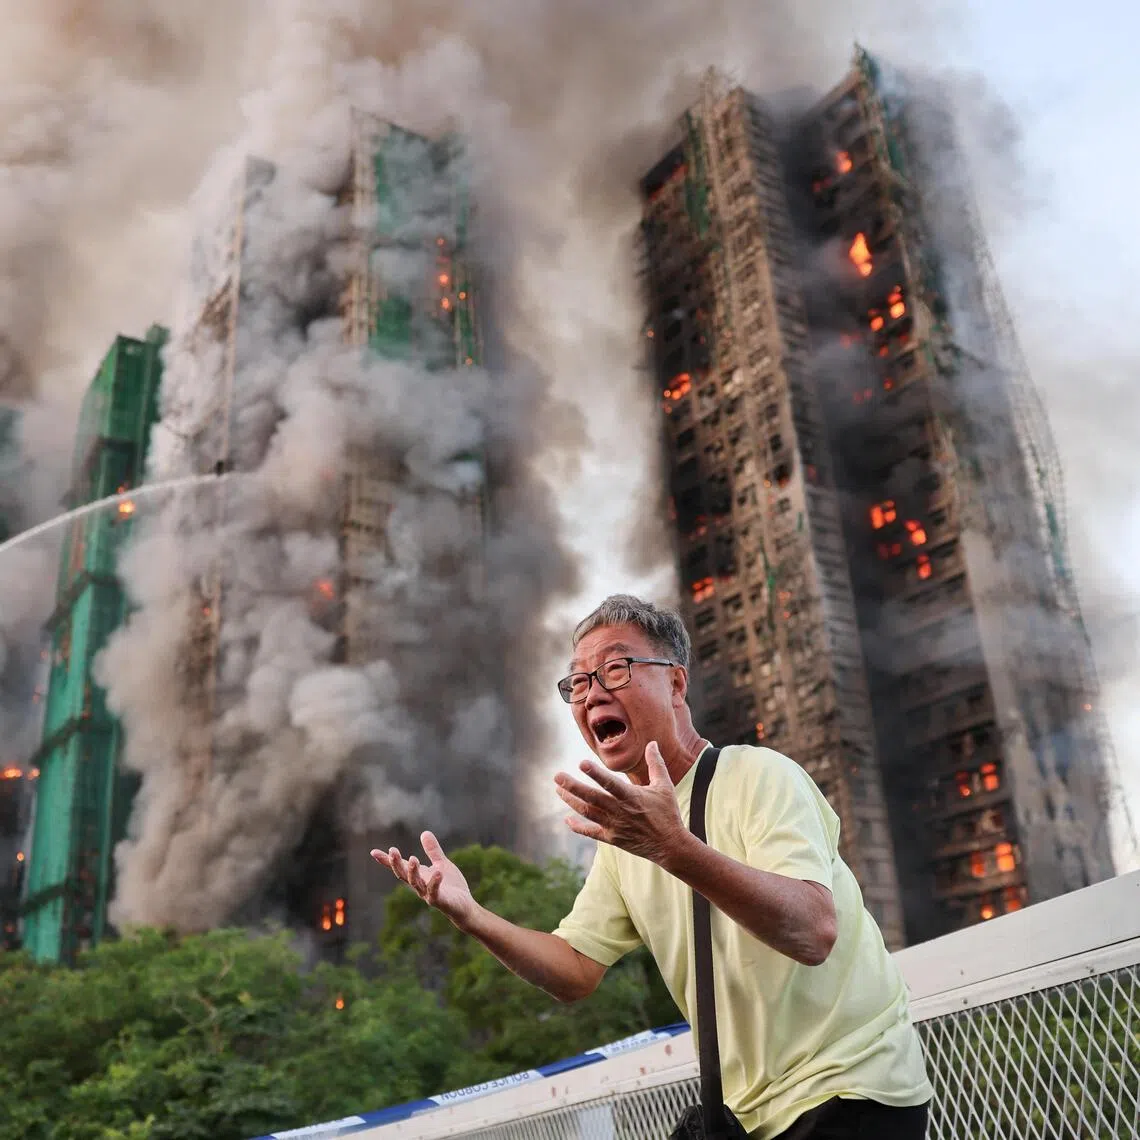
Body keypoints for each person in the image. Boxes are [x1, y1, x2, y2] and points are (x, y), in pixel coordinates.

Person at [372, 594, 933, 1139]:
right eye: (578, 682)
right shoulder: (625, 837)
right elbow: (574, 970)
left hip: (850, 1091)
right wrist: (472, 917)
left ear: (677, 682)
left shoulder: (759, 776)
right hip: (746, 1116)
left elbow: (813, 931)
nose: (593, 693)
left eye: (615, 668)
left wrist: (672, 847)